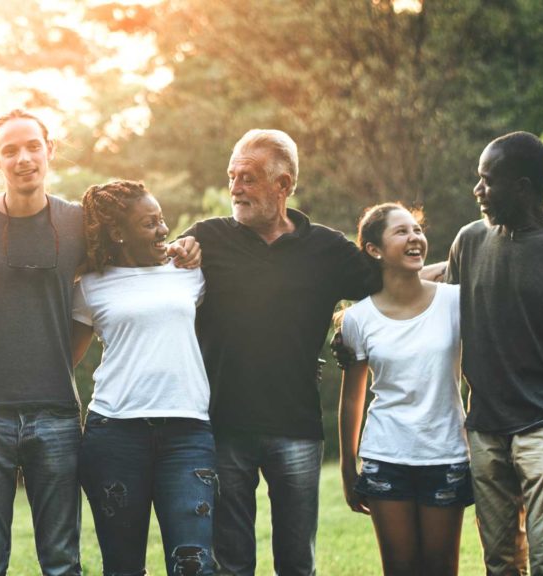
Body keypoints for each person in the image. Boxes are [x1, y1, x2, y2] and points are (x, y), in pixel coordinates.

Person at [0, 109, 200, 576]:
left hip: (55, 413)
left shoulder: (78, 224)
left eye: (33, 146)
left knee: (61, 561)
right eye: (10, 150)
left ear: (49, 150)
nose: (23, 159)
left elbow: (129, 264)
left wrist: (185, 246)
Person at [180, 129, 374, 576]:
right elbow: (155, 273)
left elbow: (391, 286)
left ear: (283, 185)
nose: (235, 188)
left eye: (247, 177)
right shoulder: (207, 238)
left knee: (296, 562)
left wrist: (459, 270)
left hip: (297, 428)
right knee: (232, 561)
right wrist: (177, 249)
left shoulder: (326, 248)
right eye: (232, 176)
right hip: (224, 425)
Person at [71, 180, 216, 576]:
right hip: (115, 434)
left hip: (188, 434)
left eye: (162, 219)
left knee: (194, 564)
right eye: (150, 223)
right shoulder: (89, 286)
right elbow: (65, 358)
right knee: (122, 567)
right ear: (118, 232)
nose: (163, 230)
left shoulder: (190, 273)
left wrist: (192, 247)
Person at [445, 132, 543, 575]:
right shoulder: (469, 241)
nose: (477, 190)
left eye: (487, 180)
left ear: (522, 186)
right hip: (485, 428)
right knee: (498, 562)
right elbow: (436, 312)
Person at [338, 203, 471, 576]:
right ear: (374, 249)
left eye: (417, 230)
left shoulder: (454, 302)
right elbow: (352, 397)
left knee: (441, 567)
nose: (415, 238)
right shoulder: (358, 319)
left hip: (445, 453)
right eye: (401, 232)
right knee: (399, 568)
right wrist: (349, 467)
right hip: (386, 456)